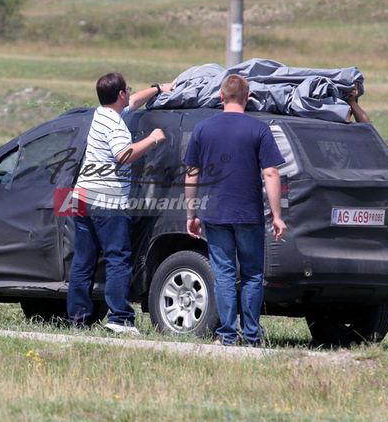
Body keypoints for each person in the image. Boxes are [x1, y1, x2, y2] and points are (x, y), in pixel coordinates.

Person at [183, 74, 286, 346]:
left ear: (220, 96)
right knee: (252, 274)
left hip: (214, 213)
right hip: (248, 213)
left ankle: (227, 335)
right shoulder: (259, 129)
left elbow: (191, 174)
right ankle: (251, 335)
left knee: (225, 273)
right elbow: (272, 173)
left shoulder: (203, 129)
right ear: (247, 96)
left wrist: (191, 215)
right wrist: (277, 216)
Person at [66, 72, 171, 334]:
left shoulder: (100, 115)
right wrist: (153, 138)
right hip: (107, 201)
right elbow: (124, 155)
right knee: (117, 259)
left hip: (82, 197)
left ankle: (77, 318)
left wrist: (159, 89)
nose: (129, 93)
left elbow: (134, 101)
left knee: (83, 261)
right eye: (127, 90)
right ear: (119, 94)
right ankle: (120, 319)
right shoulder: (114, 125)